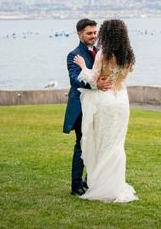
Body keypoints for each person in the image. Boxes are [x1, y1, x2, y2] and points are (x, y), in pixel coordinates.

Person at [73, 19, 138, 203]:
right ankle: (116, 186)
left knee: (104, 144)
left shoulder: (103, 54)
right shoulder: (128, 56)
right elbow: (125, 74)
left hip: (107, 101)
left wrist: (82, 66)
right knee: (117, 144)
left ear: (106, 34)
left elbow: (94, 79)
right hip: (122, 101)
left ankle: (104, 187)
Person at [63, 18, 112, 197]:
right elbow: (74, 79)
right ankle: (76, 185)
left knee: (99, 145)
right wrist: (95, 84)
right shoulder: (74, 55)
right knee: (82, 145)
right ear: (79, 34)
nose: (93, 36)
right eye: (89, 33)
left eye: (94, 32)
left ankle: (89, 180)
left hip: (99, 106)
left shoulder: (100, 53)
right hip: (82, 108)